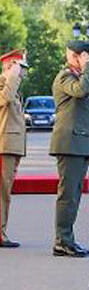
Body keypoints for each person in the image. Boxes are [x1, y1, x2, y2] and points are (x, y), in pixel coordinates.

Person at [50, 40, 89, 257]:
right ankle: (62, 241)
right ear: (75, 56)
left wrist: (86, 68)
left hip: (78, 143)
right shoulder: (65, 77)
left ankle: (67, 239)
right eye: (86, 56)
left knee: (74, 195)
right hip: (70, 143)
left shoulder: (77, 76)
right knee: (68, 195)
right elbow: (81, 90)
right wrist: (88, 68)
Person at [0, 50, 28, 248]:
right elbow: (5, 99)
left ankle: (2, 231)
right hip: (4, 145)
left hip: (11, 146)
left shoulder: (12, 87)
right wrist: (11, 77)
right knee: (2, 192)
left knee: (5, 192)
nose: (24, 72)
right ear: (11, 67)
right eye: (21, 67)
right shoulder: (5, 84)